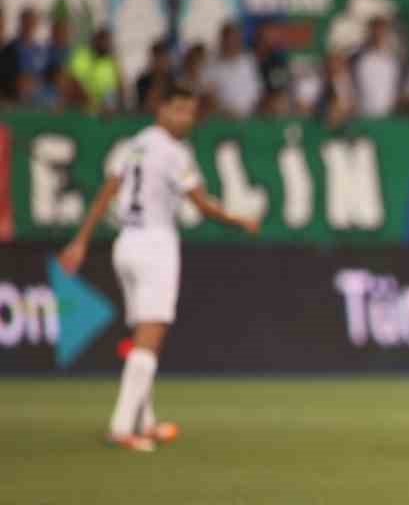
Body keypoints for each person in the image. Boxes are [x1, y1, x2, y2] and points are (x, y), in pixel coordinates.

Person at [58, 86, 261, 451]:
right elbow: (201, 205)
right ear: (161, 108)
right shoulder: (174, 153)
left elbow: (107, 194)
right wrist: (238, 218)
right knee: (150, 339)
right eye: (179, 109)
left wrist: (81, 241)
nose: (186, 118)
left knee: (141, 336)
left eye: (191, 111)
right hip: (155, 244)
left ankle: (145, 420)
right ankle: (122, 427)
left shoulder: (131, 145)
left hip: (125, 244)